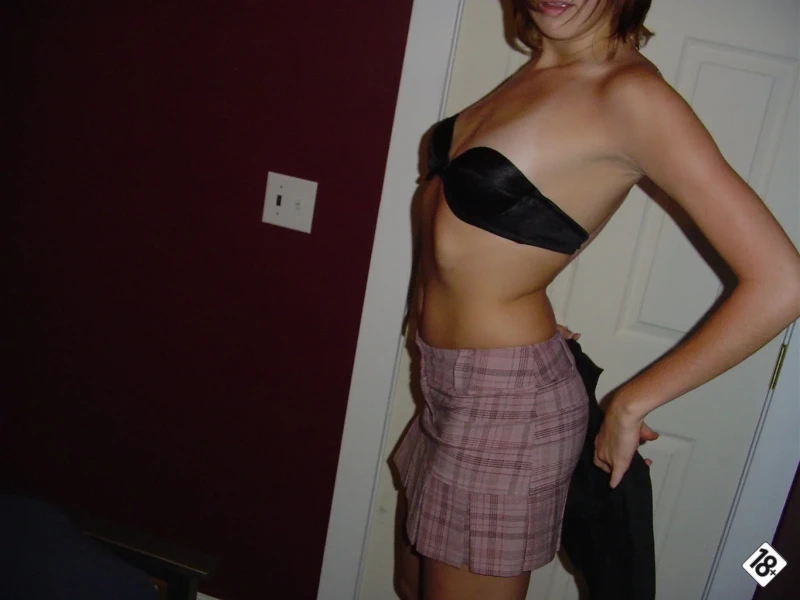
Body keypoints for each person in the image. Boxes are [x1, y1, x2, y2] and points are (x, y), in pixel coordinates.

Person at [392, 1, 800, 599]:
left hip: (504, 407)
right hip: (442, 379)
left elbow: (782, 281)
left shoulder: (631, 96)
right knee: (411, 583)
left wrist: (630, 403)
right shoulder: (533, 75)